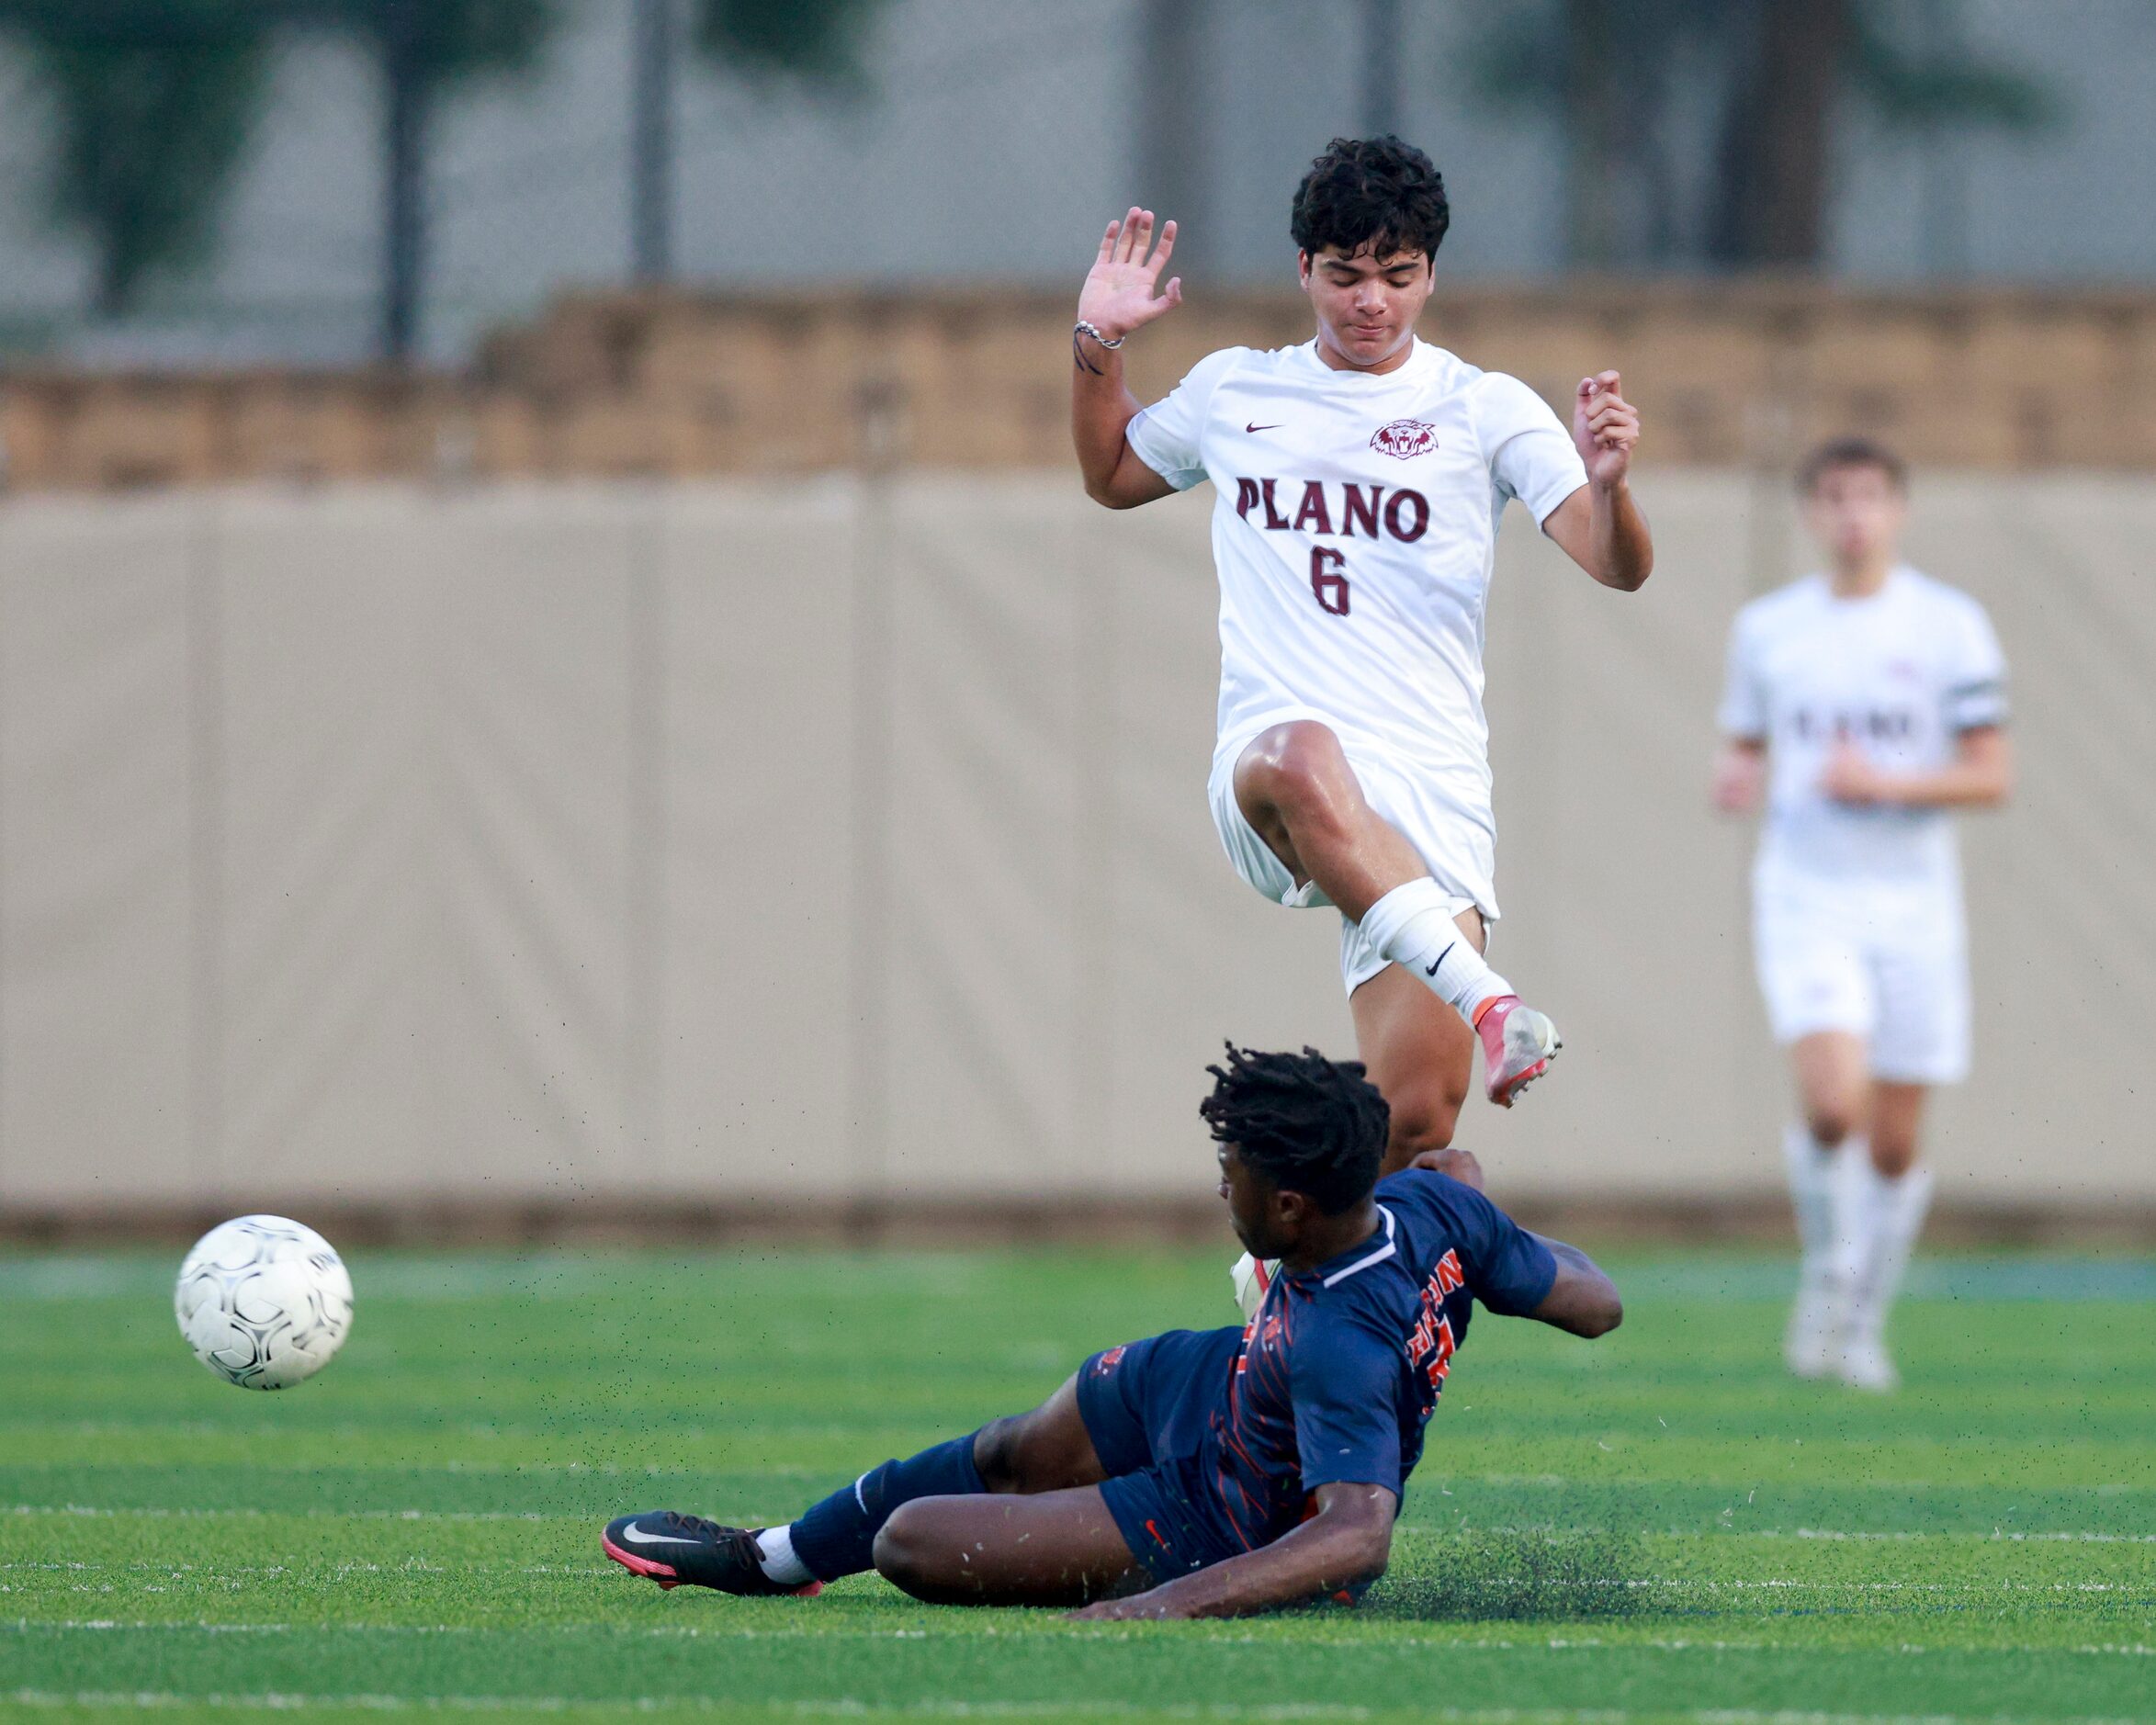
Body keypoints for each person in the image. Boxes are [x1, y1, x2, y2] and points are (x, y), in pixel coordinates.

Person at [1069, 136, 1654, 1167]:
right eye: (1344, 275)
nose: (1370, 302)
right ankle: (1492, 1002)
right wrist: (1095, 346)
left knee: (1416, 1129)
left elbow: (1615, 566)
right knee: (1298, 755)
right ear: (1304, 271)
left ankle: (1277, 1276)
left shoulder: (1483, 409)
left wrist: (1609, 486)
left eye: (1396, 276)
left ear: (1430, 273)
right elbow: (1112, 473)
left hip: (1426, 779)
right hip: (1270, 765)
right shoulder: (1235, 390)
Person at [603, 1045, 1620, 1618]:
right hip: (1220, 1381)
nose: (1223, 1190)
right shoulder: (1434, 1210)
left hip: (1217, 1510)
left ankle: (1157, 1571)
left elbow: (1358, 1534)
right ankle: (773, 1556)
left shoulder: (1339, 1345)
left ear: (1294, 1208)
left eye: (1237, 1180)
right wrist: (1481, 1246)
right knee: (1010, 1446)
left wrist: (1155, 1610)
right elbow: (1593, 1301)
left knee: (911, 1544)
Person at [1713, 437, 2011, 1392]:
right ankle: (1827, 1277)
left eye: (1869, 497)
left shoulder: (1948, 625)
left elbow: (1990, 774)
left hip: (1915, 905)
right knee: (1834, 1103)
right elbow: (1748, 740)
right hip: (1807, 894)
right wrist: (1740, 771)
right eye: (1833, 497)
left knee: (1892, 1139)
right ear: (1810, 511)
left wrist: (1880, 782)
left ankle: (1860, 1318)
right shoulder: (1768, 628)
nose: (1851, 515)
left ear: (1897, 509)